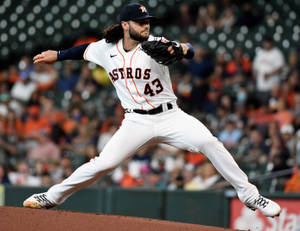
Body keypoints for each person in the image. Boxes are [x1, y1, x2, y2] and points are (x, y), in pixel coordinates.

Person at [23, 3, 281, 217]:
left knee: (209, 142)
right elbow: (83, 50)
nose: (146, 25)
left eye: (147, 21)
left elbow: (187, 50)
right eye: (140, 22)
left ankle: (251, 195)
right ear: (125, 25)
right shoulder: (106, 49)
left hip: (170, 115)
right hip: (136, 122)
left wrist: (180, 49)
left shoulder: (156, 43)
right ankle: (52, 196)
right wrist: (57, 54)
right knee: (103, 164)